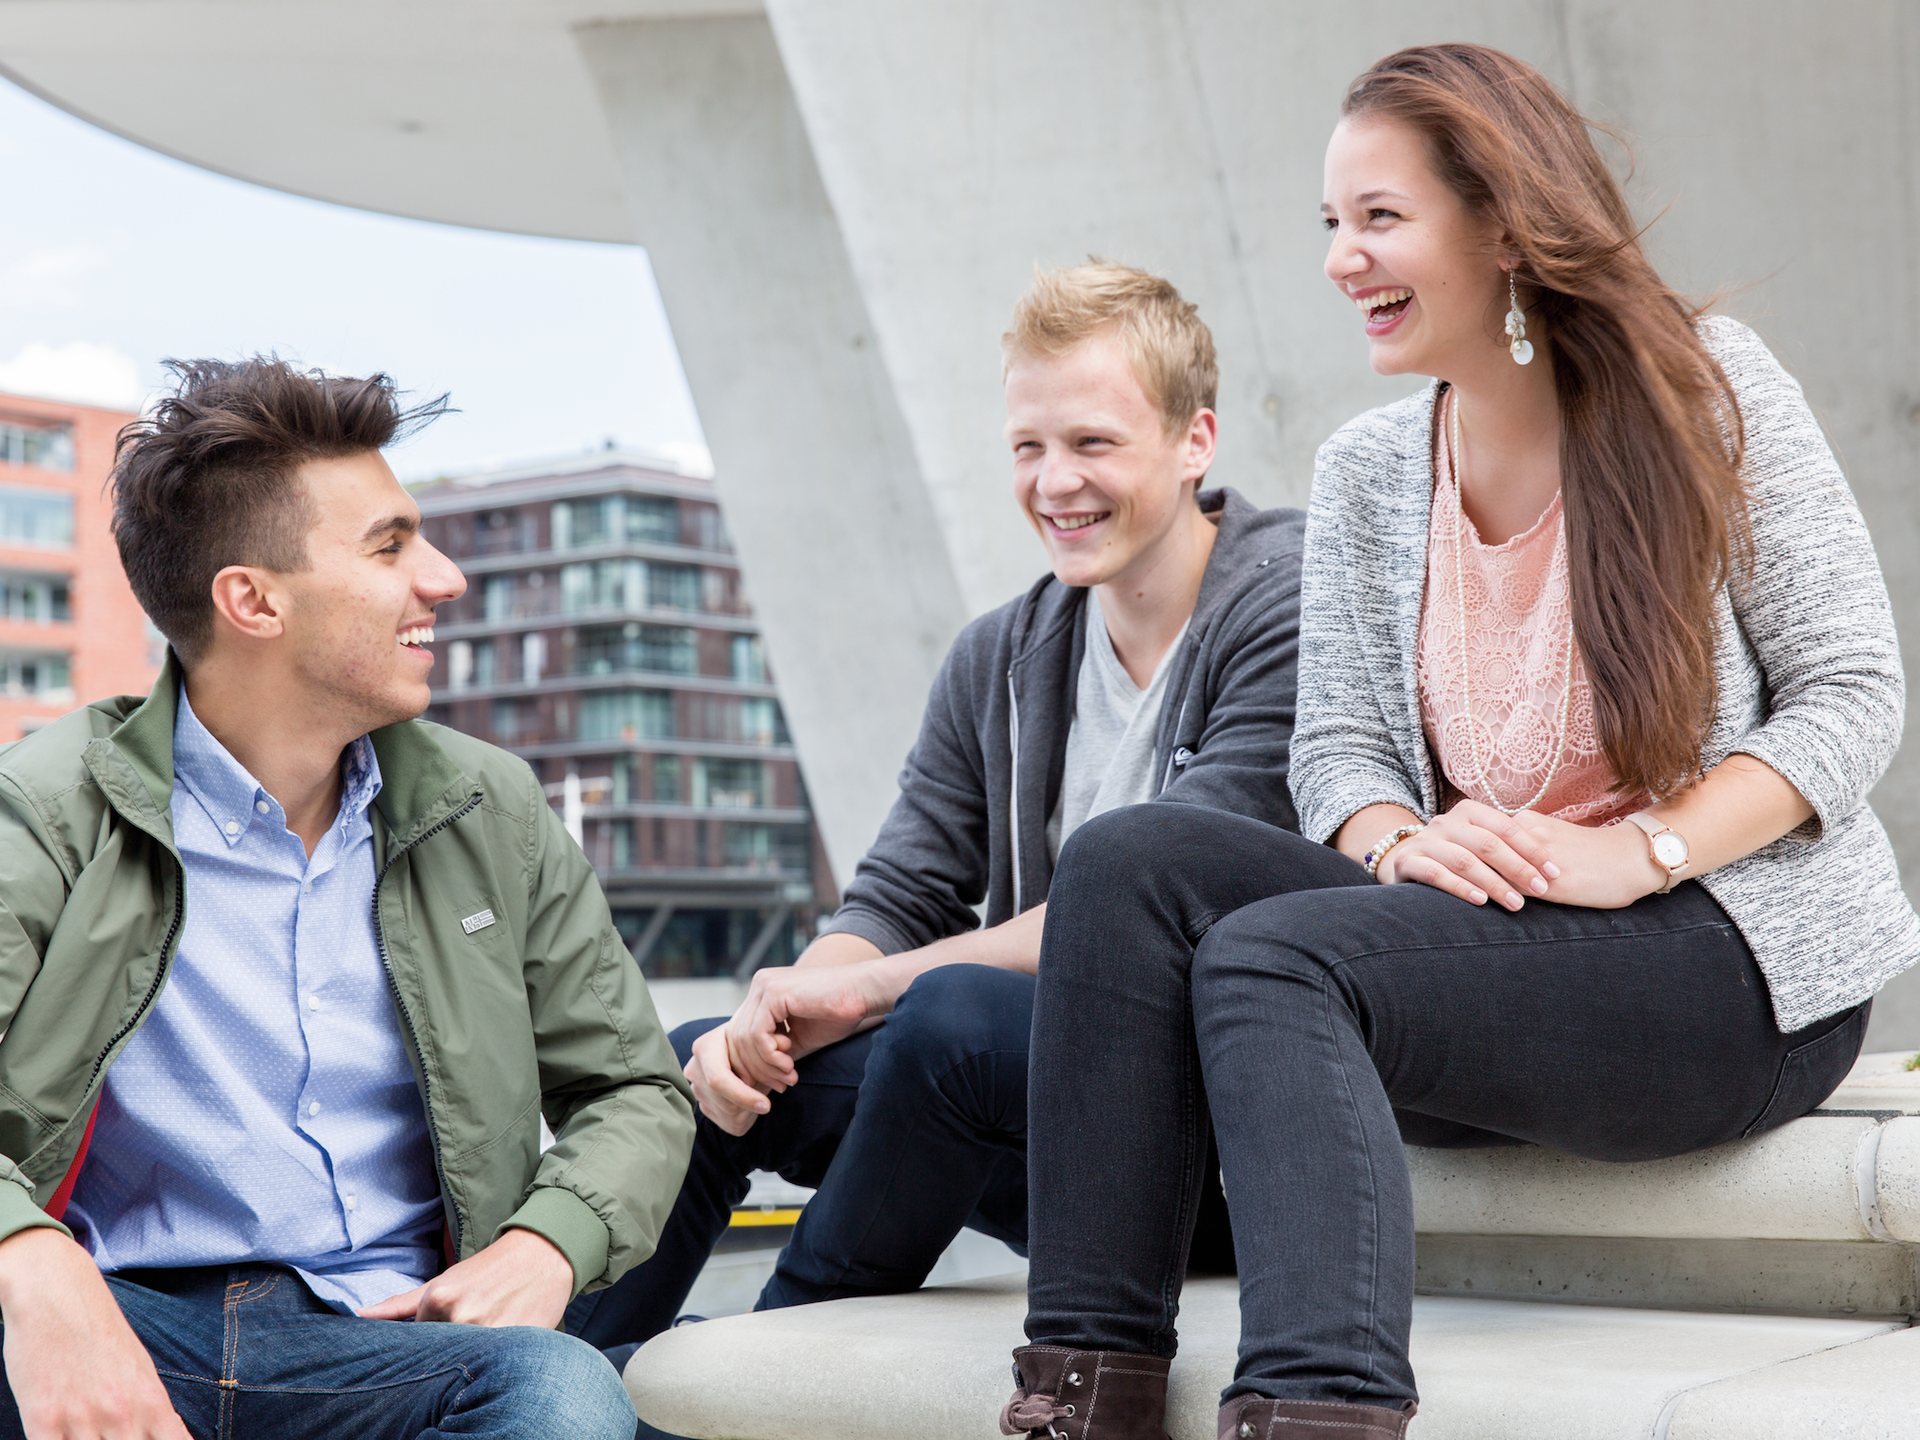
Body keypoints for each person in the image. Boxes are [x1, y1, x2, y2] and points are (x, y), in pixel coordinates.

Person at [1002, 43, 1919, 1440]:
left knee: (1273, 951)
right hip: (1493, 942)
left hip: (1727, 963)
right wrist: (1398, 838)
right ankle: (1080, 1398)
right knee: (1133, 865)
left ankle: (1320, 1412)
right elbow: (1341, 756)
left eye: (1378, 219)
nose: (1339, 259)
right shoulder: (1370, 469)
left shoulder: (1705, 391)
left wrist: (1638, 854)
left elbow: (1854, 695)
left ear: (1500, 225)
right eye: (1329, 225)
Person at [568, 262, 1308, 1363]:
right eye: (1028, 447)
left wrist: (868, 987)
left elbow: (1151, 913)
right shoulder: (1002, 657)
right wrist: (787, 1009)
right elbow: (902, 888)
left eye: (1093, 443)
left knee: (949, 1018)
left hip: (1215, 1153)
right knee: (704, 1063)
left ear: (1194, 441)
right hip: (1042, 1116)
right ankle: (556, 1388)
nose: (1055, 481)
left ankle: (762, 1384)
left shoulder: (1285, 608)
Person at [0, 359, 694, 1440]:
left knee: (558, 1390)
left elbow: (635, 1091)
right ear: (253, 600)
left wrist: (546, 1242)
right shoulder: (47, 809)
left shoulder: (488, 809)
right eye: (390, 545)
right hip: (116, 1317)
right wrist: (29, 1263)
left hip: (393, 1337)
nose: (444, 577)